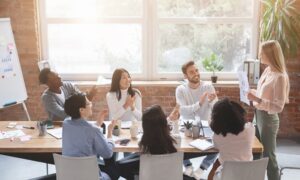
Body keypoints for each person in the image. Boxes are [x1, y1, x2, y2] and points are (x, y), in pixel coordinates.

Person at [247, 40, 290, 180]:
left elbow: (278, 106)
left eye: (262, 53)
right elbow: (263, 94)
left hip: (268, 119)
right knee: (255, 151)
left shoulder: (280, 77)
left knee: (269, 156)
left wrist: (258, 99)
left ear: (270, 55)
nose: (260, 55)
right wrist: (253, 93)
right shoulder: (267, 70)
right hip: (257, 115)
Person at [176, 60, 218, 179]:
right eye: (191, 72)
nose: (196, 73)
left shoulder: (208, 86)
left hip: (206, 124)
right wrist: (199, 103)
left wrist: (211, 101)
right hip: (187, 124)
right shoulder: (180, 89)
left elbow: (217, 109)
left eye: (197, 70)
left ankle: (202, 168)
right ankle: (188, 166)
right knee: (178, 145)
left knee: (218, 146)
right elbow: (182, 110)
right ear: (185, 76)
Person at [62, 93, 119, 180]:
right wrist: (110, 133)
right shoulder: (93, 130)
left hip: (71, 176)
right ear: (81, 110)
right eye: (89, 103)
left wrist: (98, 124)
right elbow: (107, 154)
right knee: (113, 168)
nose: (91, 104)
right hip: (91, 177)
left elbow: (83, 131)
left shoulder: (66, 123)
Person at [118, 105, 178, 180]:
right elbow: (158, 125)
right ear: (164, 123)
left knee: (119, 166)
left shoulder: (145, 143)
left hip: (146, 170)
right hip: (169, 176)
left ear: (145, 127)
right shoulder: (174, 142)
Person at [208, 98, 255, 180]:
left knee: (215, 166)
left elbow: (217, 147)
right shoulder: (250, 129)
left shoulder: (217, 137)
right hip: (247, 174)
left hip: (226, 175)